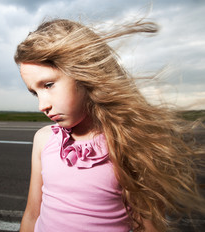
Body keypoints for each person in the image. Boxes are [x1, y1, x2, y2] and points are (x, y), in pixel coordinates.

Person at [14, 18, 205, 232]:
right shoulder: (43, 139)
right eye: (35, 92)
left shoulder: (126, 143)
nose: (42, 105)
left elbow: (147, 226)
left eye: (48, 85)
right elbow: (32, 214)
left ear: (83, 73)